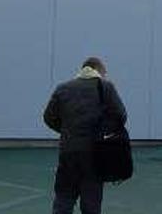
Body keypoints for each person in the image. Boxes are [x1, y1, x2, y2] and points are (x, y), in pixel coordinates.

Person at [43, 57, 127, 214]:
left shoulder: (63, 88)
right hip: (95, 154)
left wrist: (67, 131)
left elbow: (48, 117)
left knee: (64, 198)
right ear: (99, 70)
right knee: (91, 202)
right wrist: (104, 133)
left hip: (68, 152)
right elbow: (120, 116)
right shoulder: (105, 87)